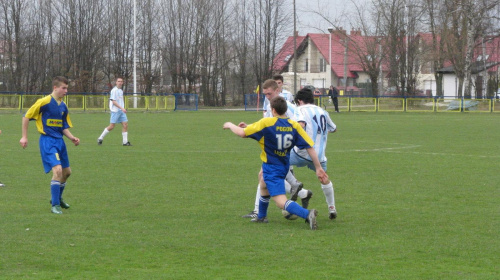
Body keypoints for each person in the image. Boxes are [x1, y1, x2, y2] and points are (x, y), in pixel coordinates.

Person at [223, 96, 329, 230]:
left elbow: (242, 133)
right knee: (262, 182)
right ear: (285, 110)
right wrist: (318, 167)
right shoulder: (294, 125)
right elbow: (309, 146)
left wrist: (229, 125)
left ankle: (307, 214)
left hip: (272, 167)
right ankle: (261, 216)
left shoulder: (267, 123)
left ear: (273, 110)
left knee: (280, 201)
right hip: (284, 165)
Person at [242, 79, 314, 219]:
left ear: (277, 90)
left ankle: (293, 196)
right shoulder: (271, 105)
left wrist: (286, 141)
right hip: (278, 149)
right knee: (263, 178)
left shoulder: (289, 106)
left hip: (285, 150)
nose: (267, 97)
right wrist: (250, 127)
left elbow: (300, 124)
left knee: (269, 178)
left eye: (269, 94)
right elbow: (268, 125)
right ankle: (300, 193)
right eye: (265, 94)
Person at [19, 76, 80, 214]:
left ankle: (57, 198)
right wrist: (24, 137)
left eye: (67, 88)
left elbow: (63, 126)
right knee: (57, 171)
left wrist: (72, 138)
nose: (66, 91)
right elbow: (26, 116)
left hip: (60, 141)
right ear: (55, 87)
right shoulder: (44, 102)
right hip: (47, 141)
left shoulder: (63, 106)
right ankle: (55, 206)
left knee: (67, 173)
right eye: (63, 88)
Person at [293, 88, 338, 219]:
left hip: (301, 153)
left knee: (278, 163)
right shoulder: (322, 111)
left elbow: (300, 125)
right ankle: (332, 208)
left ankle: (297, 189)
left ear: (299, 101)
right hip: (319, 156)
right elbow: (334, 128)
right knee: (324, 178)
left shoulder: (300, 109)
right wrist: (320, 133)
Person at [97, 77, 131, 146]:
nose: (120, 82)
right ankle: (100, 138)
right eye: (119, 81)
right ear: (116, 82)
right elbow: (113, 101)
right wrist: (122, 108)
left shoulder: (120, 90)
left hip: (121, 111)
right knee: (112, 126)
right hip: (115, 111)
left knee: (125, 125)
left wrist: (122, 108)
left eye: (121, 81)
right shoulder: (114, 90)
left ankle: (125, 142)